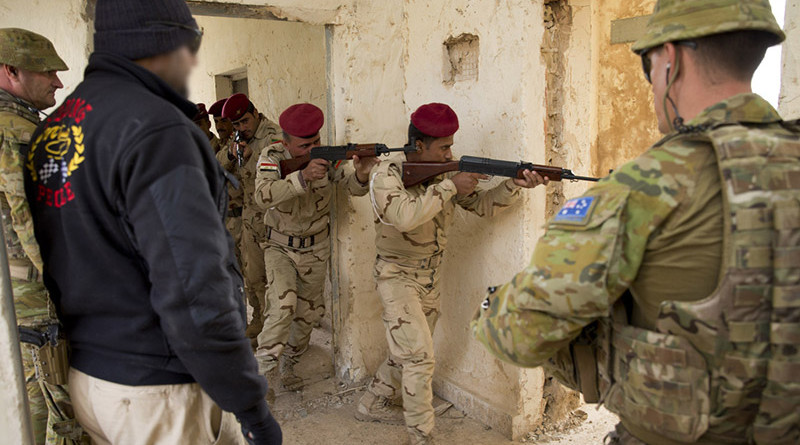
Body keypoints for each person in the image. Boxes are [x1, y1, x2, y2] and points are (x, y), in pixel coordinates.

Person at [471, 1, 798, 444]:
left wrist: (489, 310)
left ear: (671, 59)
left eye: (647, 67)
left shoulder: (644, 187)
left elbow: (519, 336)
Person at [22, 1, 281, 444]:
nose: (192, 61)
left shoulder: (58, 129)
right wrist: (250, 405)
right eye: (189, 44)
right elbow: (195, 291)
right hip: (157, 390)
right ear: (161, 41)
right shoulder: (157, 131)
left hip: (91, 381)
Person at [359, 103, 547, 445]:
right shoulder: (386, 173)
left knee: (409, 351)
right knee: (418, 356)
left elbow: (482, 206)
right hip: (396, 275)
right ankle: (422, 436)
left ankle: (373, 399)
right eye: (444, 147)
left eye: (451, 145)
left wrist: (515, 185)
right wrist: (449, 187)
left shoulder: (443, 172)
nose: (451, 153)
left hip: (429, 275)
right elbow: (402, 216)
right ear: (419, 146)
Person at [0, 27, 87, 445]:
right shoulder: (16, 131)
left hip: (19, 301)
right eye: (47, 71)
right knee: (62, 419)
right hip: (39, 306)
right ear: (11, 71)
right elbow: (33, 224)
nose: (57, 81)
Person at [253, 103, 378, 392]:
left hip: (316, 248)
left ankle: (291, 362)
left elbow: (351, 188)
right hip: (280, 247)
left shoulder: (327, 159)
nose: (312, 149)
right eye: (304, 145)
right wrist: (301, 177)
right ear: (285, 142)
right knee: (282, 306)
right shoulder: (272, 157)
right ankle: (261, 377)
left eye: (316, 142)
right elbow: (262, 195)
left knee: (309, 312)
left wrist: (361, 173)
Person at [216, 93, 281, 344]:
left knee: (272, 277)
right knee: (251, 275)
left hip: (271, 217)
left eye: (245, 121)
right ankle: (259, 320)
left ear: (255, 113)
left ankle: (273, 327)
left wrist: (255, 156)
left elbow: (278, 171)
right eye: (237, 125)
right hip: (248, 216)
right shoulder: (238, 137)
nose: (242, 128)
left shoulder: (272, 135)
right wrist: (231, 154)